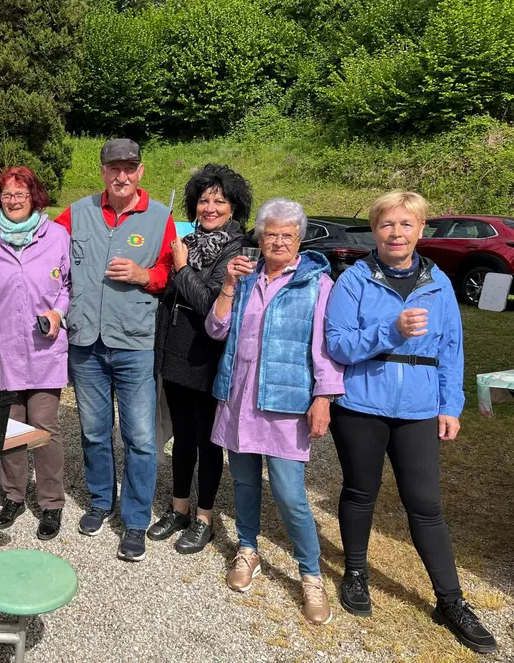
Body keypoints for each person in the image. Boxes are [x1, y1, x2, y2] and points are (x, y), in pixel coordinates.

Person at [0, 138, 177, 561]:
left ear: (140, 171)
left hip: (134, 342)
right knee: (93, 432)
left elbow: (169, 273)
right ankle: (102, 502)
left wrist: (144, 275)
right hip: (86, 343)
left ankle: (136, 519)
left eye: (129, 168)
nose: (121, 175)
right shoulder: (77, 214)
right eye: (113, 168)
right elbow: (33, 229)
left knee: (140, 438)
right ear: (103, 171)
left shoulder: (161, 217)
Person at [324, 191, 497, 654]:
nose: (396, 233)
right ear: (375, 231)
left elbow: (451, 350)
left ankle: (451, 600)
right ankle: (356, 572)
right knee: (361, 490)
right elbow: (337, 345)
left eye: (406, 224)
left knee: (425, 504)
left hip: (419, 409)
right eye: (387, 224)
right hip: (360, 404)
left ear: (420, 230)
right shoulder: (354, 281)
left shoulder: (439, 284)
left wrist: (450, 404)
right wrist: (391, 330)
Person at [207, 198, 344, 625]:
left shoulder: (317, 283)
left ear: (299, 240)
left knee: (290, 494)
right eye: (271, 234)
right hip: (239, 397)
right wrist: (228, 286)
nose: (278, 241)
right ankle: (248, 549)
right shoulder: (245, 278)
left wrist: (324, 398)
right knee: (244, 482)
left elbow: (324, 346)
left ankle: (310, 574)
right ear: (260, 238)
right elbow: (216, 329)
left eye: (287, 235)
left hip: (285, 404)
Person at [148, 165, 250, 554]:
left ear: (234, 207)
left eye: (219, 201)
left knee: (209, 441)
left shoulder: (236, 249)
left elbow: (211, 305)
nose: (210, 207)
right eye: (204, 200)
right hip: (177, 352)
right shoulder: (188, 240)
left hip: (210, 355)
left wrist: (182, 266)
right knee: (183, 437)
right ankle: (179, 509)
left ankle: (204, 517)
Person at [0, 167, 71, 541]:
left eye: (21, 194)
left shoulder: (57, 235)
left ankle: (50, 503)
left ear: (34, 197)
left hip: (45, 347)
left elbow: (68, 286)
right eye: (7, 196)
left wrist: (58, 314)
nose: (13, 201)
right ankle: (13, 496)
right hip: (3, 348)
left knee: (44, 428)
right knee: (10, 428)